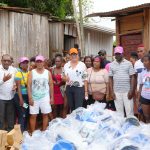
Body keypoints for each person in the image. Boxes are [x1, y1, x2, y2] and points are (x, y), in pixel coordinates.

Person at [27, 55, 54, 133]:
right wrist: (30, 98)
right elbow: (28, 85)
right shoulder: (32, 72)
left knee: (45, 114)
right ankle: (32, 132)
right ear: (35, 62)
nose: (39, 63)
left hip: (45, 97)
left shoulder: (47, 72)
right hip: (34, 97)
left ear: (43, 62)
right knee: (33, 115)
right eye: (37, 61)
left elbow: (51, 84)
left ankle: (44, 131)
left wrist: (52, 98)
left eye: (40, 61)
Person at [109, 46, 135, 117]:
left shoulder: (128, 63)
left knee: (129, 113)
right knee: (119, 114)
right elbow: (110, 78)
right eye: (116, 54)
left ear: (122, 54)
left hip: (127, 91)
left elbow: (133, 77)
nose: (117, 55)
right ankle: (121, 127)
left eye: (119, 53)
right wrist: (112, 92)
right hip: (117, 92)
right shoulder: (111, 64)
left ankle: (131, 127)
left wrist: (131, 91)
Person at [0, 54, 16, 131]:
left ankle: (10, 134)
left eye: (8, 61)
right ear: (1, 61)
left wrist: (15, 86)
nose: (6, 62)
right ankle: (1, 136)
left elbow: (15, 81)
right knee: (1, 118)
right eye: (4, 60)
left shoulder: (13, 70)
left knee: (10, 117)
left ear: (10, 62)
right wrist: (3, 80)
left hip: (11, 97)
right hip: (1, 98)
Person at [14, 57, 29, 131]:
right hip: (20, 97)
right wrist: (21, 100)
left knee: (26, 114)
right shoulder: (18, 74)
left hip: (27, 97)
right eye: (23, 63)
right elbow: (18, 88)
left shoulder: (29, 73)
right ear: (20, 64)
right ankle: (21, 133)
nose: (25, 64)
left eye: (26, 63)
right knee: (22, 115)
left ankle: (25, 131)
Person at [138, 52, 150, 123]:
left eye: (146, 61)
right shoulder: (142, 72)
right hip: (144, 97)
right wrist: (139, 99)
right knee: (147, 116)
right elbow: (141, 85)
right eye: (143, 61)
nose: (144, 63)